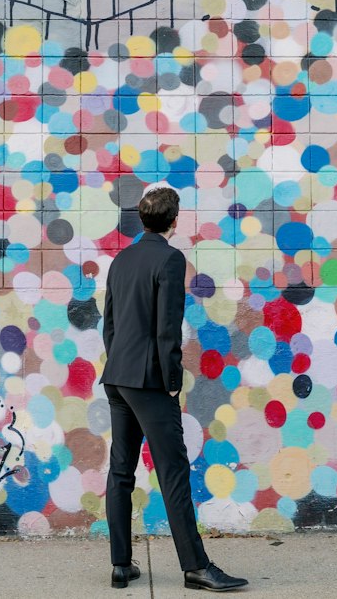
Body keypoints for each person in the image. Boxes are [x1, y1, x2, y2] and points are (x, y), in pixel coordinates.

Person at [101, 184, 248, 592]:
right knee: (173, 472)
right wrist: (170, 381)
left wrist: (119, 364)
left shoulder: (121, 260)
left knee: (121, 470)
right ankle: (196, 567)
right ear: (175, 220)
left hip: (117, 376)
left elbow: (109, 323)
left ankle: (120, 565)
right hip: (149, 381)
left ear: (143, 218)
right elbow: (168, 328)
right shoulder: (170, 259)